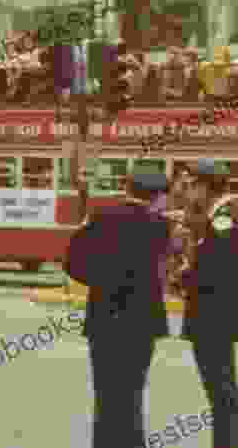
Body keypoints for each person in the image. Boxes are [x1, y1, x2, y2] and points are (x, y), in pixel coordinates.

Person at [65, 167, 172, 448]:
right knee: (132, 393)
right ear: (157, 196)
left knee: (105, 394)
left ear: (127, 188)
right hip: (141, 322)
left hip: (104, 318)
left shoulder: (101, 218)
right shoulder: (160, 226)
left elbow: (73, 263)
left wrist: (100, 280)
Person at [176, 159, 238, 448]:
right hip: (213, 315)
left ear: (206, 186)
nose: (187, 191)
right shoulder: (216, 217)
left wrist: (184, 278)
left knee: (222, 392)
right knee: (220, 391)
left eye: (192, 185)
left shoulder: (223, 219)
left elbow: (217, 269)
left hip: (212, 316)